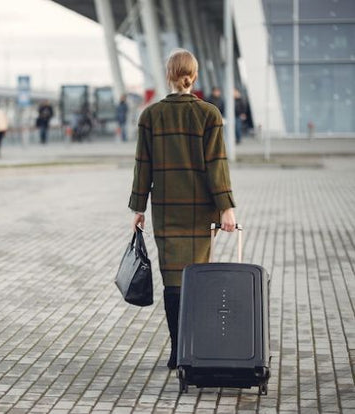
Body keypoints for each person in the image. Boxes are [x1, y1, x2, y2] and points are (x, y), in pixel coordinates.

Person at [128, 49, 237, 370]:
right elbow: (217, 166)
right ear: (195, 75)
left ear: (168, 75)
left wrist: (138, 207)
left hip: (166, 210)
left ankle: (178, 351)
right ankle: (194, 349)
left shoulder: (150, 115)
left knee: (173, 280)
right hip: (201, 211)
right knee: (197, 278)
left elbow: (142, 166)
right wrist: (226, 208)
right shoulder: (209, 114)